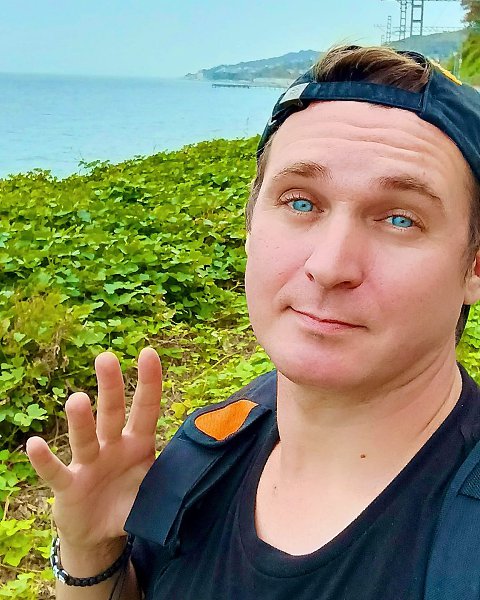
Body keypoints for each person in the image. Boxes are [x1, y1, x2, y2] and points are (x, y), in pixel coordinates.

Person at [26, 44, 480, 599]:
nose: (329, 266)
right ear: (250, 225)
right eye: (300, 203)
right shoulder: (206, 452)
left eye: (401, 218)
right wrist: (91, 552)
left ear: (474, 266)